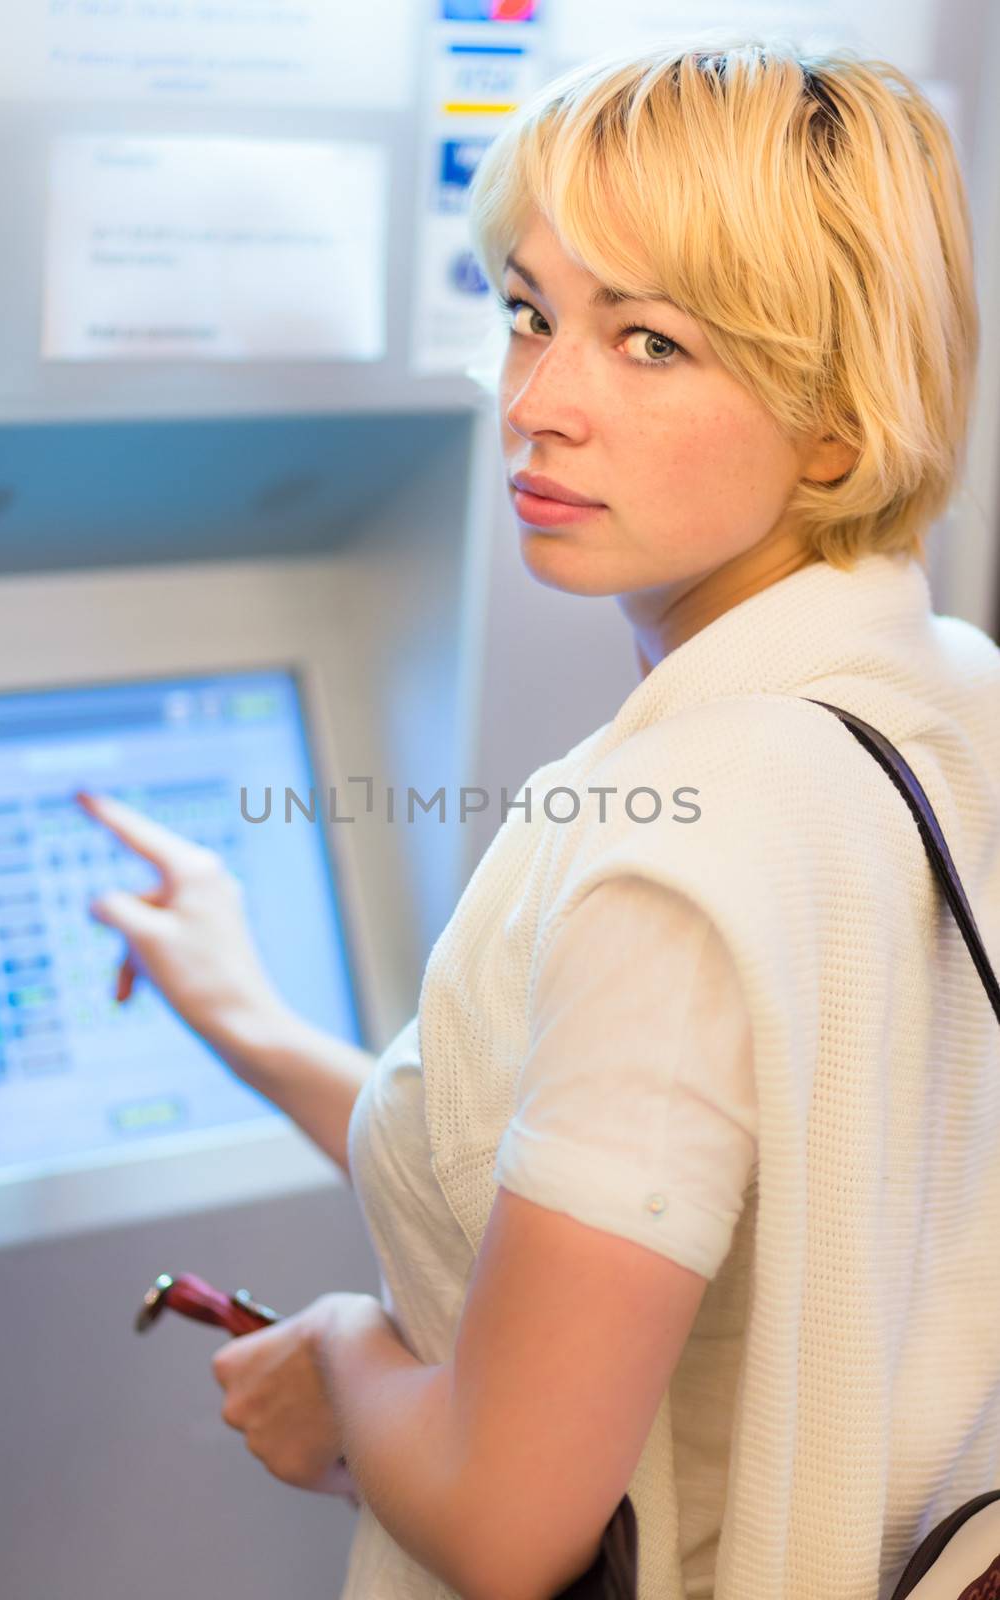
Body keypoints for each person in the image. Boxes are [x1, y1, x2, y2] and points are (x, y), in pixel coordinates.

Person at [77, 36, 1000, 1600]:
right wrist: (247, 1014)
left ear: (837, 425)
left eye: (649, 343)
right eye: (531, 313)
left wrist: (347, 1371)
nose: (537, 402)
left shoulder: (683, 851)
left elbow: (512, 1523)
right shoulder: (950, 701)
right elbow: (579, 1176)